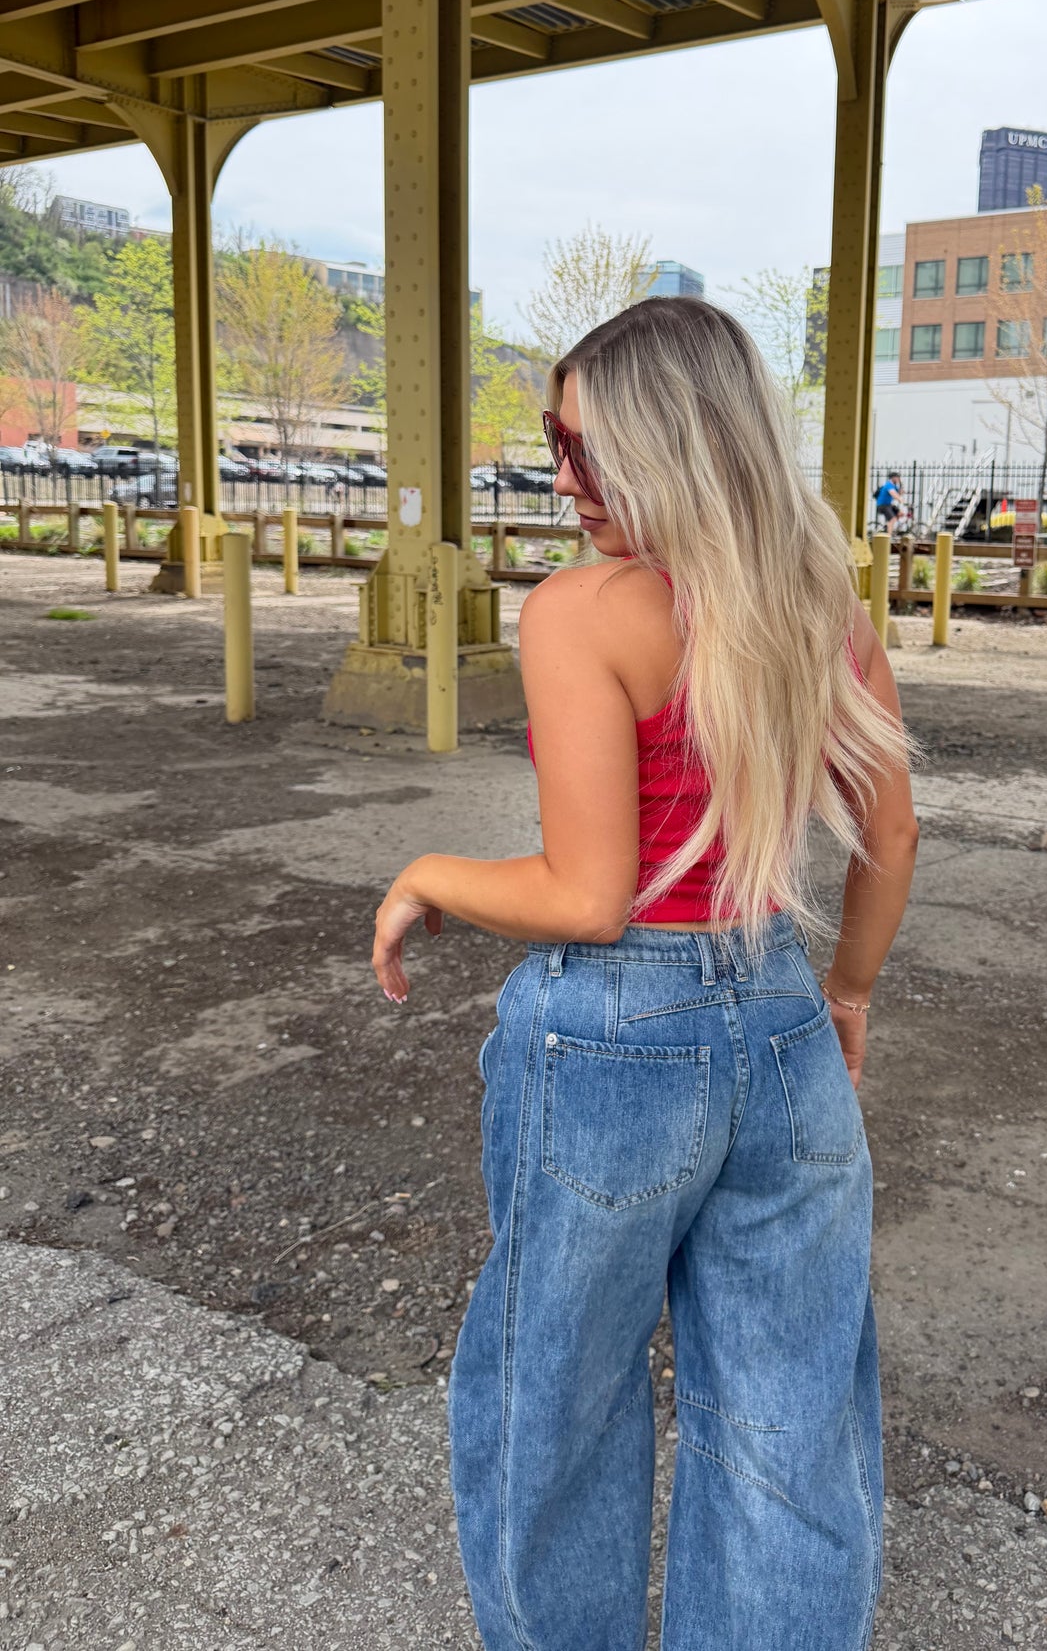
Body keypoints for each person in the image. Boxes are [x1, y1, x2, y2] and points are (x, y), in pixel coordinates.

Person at [371, 297, 919, 1651]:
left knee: (558, 1393)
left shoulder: (580, 614)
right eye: (551, 444)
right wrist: (843, 996)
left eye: (580, 445)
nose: (559, 478)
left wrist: (432, 873)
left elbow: (584, 895)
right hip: (780, 1015)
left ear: (673, 445)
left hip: (614, 1039)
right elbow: (891, 831)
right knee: (790, 1410)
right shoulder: (814, 596)